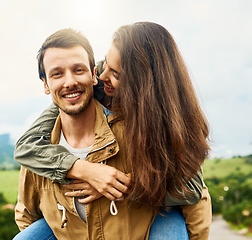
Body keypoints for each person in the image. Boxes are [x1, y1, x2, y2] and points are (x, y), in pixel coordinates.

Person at [14, 23, 211, 240]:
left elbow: (193, 191)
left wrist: (121, 185)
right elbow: (27, 152)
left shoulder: (152, 129)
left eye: (116, 73)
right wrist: (85, 170)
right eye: (106, 63)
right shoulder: (47, 140)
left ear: (141, 86)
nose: (104, 76)